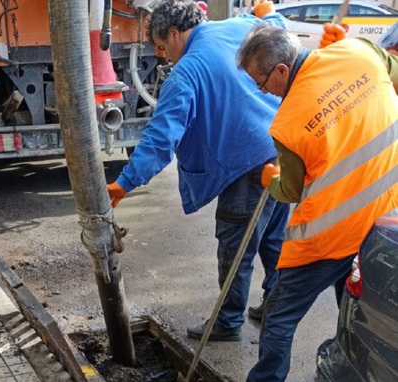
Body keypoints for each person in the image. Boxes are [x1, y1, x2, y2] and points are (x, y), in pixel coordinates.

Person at [107, 0, 290, 341]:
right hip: (281, 151)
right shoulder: (241, 27)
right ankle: (275, 305)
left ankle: (229, 321)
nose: (162, 55)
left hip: (245, 167)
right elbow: (279, 27)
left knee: (236, 247)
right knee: (274, 239)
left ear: (174, 33)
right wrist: (268, 12)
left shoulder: (187, 73)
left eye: (162, 46)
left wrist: (124, 184)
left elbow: (161, 139)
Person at [236, 24, 398, 381]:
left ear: (281, 70)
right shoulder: (361, 52)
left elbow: (291, 190)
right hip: (383, 222)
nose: (263, 91)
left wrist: (270, 180)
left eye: (262, 83)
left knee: (279, 315)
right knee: (359, 311)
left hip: (328, 238)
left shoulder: (288, 123)